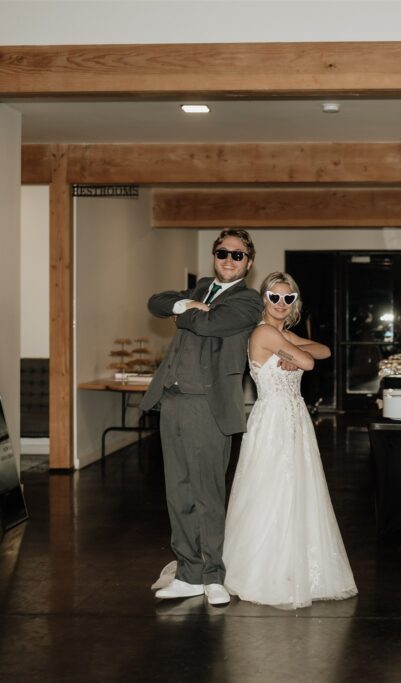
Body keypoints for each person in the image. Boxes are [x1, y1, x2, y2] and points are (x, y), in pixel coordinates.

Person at [142, 229, 263, 606]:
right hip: (172, 401)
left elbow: (211, 325)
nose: (229, 259)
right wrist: (187, 306)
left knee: (207, 493)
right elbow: (156, 302)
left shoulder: (248, 300)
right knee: (178, 492)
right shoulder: (200, 290)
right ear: (214, 256)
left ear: (249, 262)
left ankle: (214, 576)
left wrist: (190, 311)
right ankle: (189, 573)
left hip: (207, 406)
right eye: (222, 252)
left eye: (238, 255)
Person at [223, 271, 357, 609]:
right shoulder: (264, 331)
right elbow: (311, 362)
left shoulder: (282, 334)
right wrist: (295, 350)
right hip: (273, 419)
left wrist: (292, 347)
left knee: (296, 490)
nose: (281, 304)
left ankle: (291, 567)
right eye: (275, 297)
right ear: (264, 300)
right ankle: (266, 570)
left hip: (294, 419)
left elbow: (324, 350)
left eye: (288, 298)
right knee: (271, 490)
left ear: (294, 303)